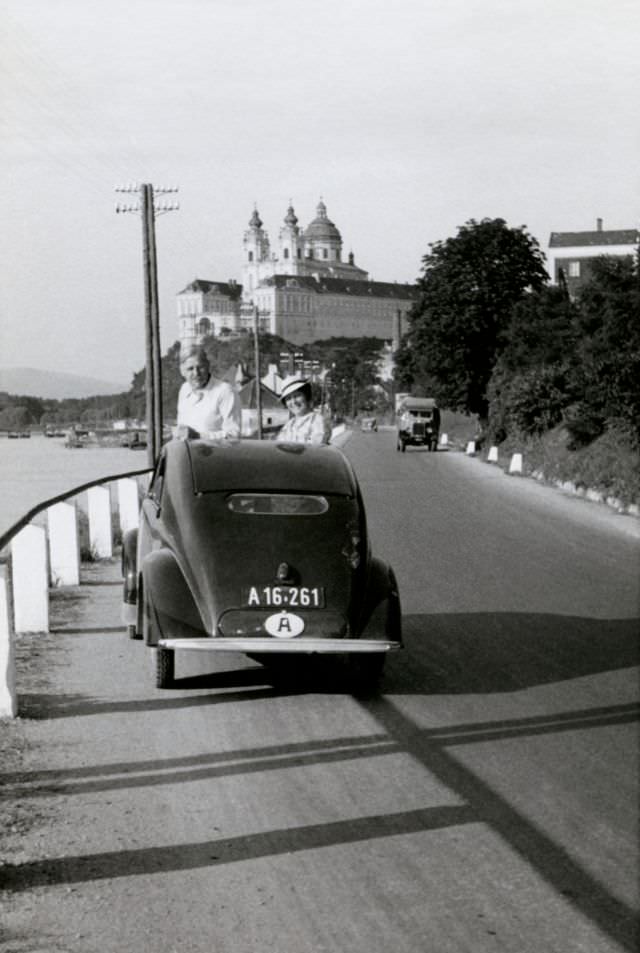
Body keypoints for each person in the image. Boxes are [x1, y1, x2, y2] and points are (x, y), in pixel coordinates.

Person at [174, 346, 241, 440]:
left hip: (217, 454)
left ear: (208, 366)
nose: (196, 373)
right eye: (190, 369)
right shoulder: (184, 389)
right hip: (187, 453)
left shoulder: (225, 391)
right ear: (182, 371)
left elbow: (233, 436)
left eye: (200, 367)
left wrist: (198, 436)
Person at [276, 376, 331, 445]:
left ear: (306, 396)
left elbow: (315, 449)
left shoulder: (318, 421)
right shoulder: (288, 425)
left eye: (297, 396)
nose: (293, 402)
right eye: (288, 398)